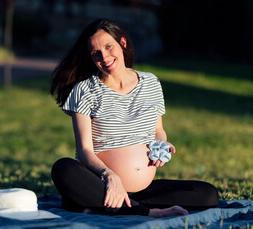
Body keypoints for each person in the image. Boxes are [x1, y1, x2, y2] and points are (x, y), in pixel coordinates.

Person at [49, 18, 219, 217]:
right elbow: (85, 151)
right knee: (63, 168)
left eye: (108, 46)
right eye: (96, 53)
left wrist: (161, 144)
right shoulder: (84, 91)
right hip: (102, 182)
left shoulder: (151, 83)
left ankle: (106, 204)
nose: (104, 56)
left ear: (122, 43)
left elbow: (158, 130)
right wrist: (110, 176)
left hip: (143, 189)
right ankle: (145, 212)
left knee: (208, 194)